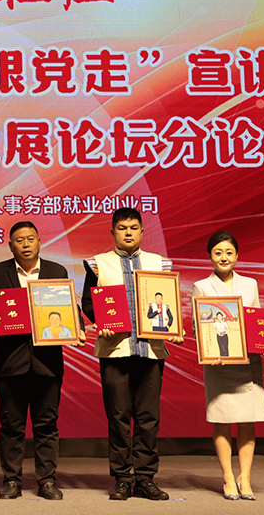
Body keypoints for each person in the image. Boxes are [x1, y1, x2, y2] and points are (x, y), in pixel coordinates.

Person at [81, 208, 183, 501]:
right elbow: (89, 302)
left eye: (133, 227)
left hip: (151, 350)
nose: (128, 232)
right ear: (112, 232)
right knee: (118, 417)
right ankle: (123, 479)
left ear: (141, 231)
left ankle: (145, 478)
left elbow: (169, 303)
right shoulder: (98, 264)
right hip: (115, 350)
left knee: (148, 417)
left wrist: (174, 328)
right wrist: (101, 321)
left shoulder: (158, 264)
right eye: (122, 228)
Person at [0, 221, 78, 501]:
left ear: (39, 241)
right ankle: (12, 480)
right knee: (12, 425)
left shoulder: (56, 271)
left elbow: (70, 306)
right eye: (19, 240)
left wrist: (78, 327)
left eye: (30, 239)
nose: (25, 244)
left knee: (47, 424)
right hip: (11, 361)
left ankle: (47, 481)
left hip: (47, 362)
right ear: (10, 245)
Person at [192, 230, 264, 501]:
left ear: (237, 255)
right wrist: (209, 351)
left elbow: (258, 321)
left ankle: (245, 478)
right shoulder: (201, 286)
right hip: (218, 364)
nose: (223, 257)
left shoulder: (250, 284)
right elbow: (198, 328)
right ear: (210, 256)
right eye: (218, 252)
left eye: (229, 252)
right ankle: (228, 477)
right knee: (222, 421)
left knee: (248, 422)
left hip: (248, 362)